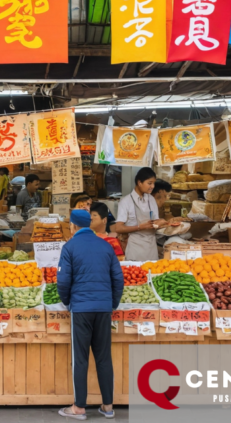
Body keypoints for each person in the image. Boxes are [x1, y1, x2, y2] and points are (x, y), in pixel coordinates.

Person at [57, 210, 123, 421]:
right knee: (104, 356)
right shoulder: (106, 246)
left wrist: (68, 302)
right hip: (103, 308)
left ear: (74, 226)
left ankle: (79, 408)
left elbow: (63, 282)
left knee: (81, 358)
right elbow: (118, 279)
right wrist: (111, 303)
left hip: (82, 308)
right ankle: (108, 406)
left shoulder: (69, 247)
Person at [113, 167, 168, 261]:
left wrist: (162, 222)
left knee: (153, 273)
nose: (153, 186)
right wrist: (140, 227)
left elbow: (155, 221)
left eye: (153, 183)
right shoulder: (126, 201)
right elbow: (118, 228)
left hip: (151, 246)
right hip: (135, 247)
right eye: (149, 183)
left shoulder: (151, 200)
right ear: (139, 182)